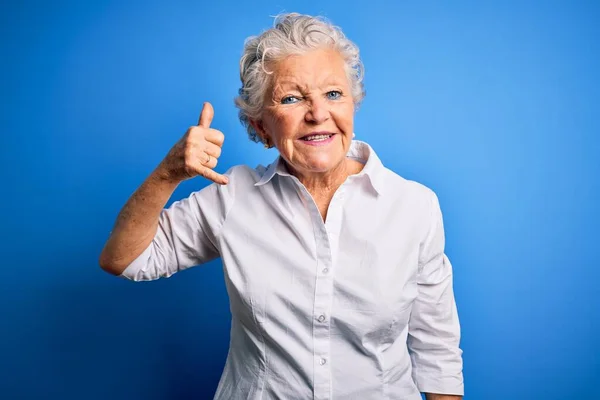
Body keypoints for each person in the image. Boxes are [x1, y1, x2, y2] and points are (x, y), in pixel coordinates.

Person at [99, 12, 464, 400]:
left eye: (333, 94)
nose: (318, 114)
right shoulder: (232, 197)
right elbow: (124, 260)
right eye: (292, 98)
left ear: (353, 106)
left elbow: (437, 353)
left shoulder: (414, 206)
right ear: (261, 128)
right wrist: (168, 174)